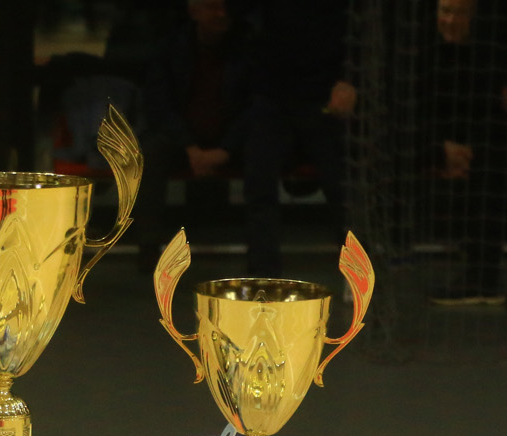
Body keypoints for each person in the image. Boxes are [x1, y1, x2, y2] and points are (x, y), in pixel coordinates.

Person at [243, 0, 354, 276]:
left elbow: (354, 28)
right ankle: (264, 277)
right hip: (271, 93)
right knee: (259, 186)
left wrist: (348, 79)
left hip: (322, 92)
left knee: (341, 188)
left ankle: (357, 272)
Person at [137, 0, 252, 266]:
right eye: (213, 7)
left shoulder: (246, 48)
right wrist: (190, 146)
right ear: (194, 11)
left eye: (225, 7)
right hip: (183, 139)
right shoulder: (171, 48)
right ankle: (148, 245)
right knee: (151, 152)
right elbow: (159, 103)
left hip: (230, 139)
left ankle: (262, 248)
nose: (221, 14)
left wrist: (226, 149)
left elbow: (254, 105)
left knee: (263, 145)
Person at [422, 0, 507, 304]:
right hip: (441, 145)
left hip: (482, 149)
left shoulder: (492, 60)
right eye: (446, 11)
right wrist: (441, 151)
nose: (451, 20)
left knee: (489, 163)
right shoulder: (426, 54)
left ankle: (482, 279)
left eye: (461, 13)